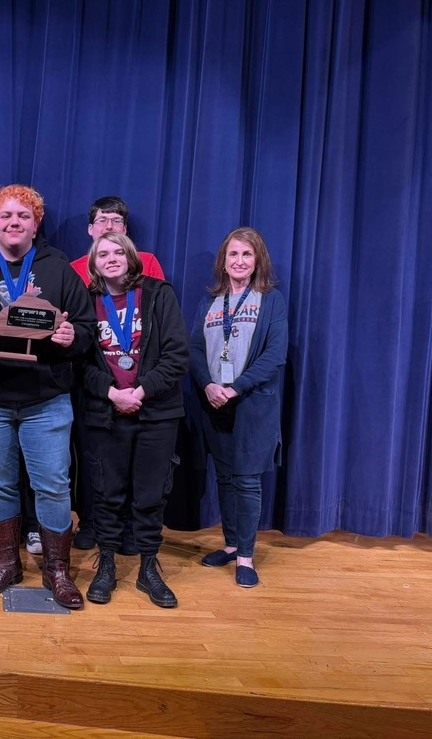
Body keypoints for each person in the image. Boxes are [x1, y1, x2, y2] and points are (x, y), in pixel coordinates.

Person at [0, 184, 95, 609]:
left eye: (23, 216)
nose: (14, 223)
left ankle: (57, 570)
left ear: (35, 223)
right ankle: (6, 564)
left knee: (52, 485)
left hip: (45, 400)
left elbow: (86, 328)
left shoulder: (60, 269)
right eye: (5, 216)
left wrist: (70, 336)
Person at [79, 232, 189, 607]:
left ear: (130, 256)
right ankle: (106, 564)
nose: (111, 258)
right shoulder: (86, 301)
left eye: (117, 252)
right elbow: (78, 364)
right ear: (93, 264)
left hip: (155, 412)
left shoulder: (159, 294)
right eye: (102, 254)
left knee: (150, 494)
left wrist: (139, 392)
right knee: (106, 494)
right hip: (106, 413)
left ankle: (148, 567)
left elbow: (176, 355)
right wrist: (112, 394)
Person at [190, 227, 288, 588]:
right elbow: (196, 350)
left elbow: (275, 355)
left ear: (258, 260)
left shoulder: (270, 300)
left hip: (250, 405)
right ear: (224, 260)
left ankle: (246, 557)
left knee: (247, 481)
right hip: (214, 402)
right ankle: (231, 546)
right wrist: (209, 384)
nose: (240, 261)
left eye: (247, 255)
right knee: (226, 479)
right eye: (233, 254)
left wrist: (235, 388)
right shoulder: (210, 302)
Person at [70, 196, 166, 553]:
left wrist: (141, 387)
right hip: (96, 381)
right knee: (91, 458)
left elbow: (154, 324)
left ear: (126, 231)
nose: (109, 225)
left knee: (136, 463)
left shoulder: (148, 263)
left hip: (141, 384)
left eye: (116, 220)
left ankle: (128, 526)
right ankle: (92, 521)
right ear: (90, 229)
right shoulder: (74, 267)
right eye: (102, 220)